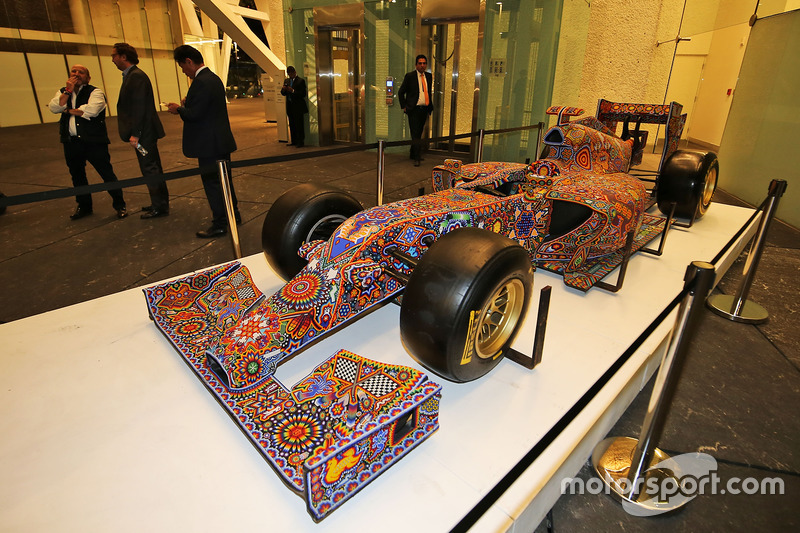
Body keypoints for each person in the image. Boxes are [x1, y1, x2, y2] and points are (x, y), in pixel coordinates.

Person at [166, 45, 241, 238]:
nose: (184, 71)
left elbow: (195, 115)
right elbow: (207, 108)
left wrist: (179, 109)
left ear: (189, 61)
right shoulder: (213, 78)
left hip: (208, 144)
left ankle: (220, 223)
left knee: (213, 184)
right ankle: (234, 215)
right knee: (225, 181)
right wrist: (188, 104)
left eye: (183, 67)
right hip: (220, 141)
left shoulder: (200, 82)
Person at [48, 64, 127, 220]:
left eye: (81, 72)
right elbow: (54, 107)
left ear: (88, 77)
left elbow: (90, 110)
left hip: (94, 142)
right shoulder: (63, 91)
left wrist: (67, 110)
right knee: (77, 176)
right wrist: (68, 91)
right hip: (71, 142)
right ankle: (84, 206)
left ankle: (120, 205)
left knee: (106, 174)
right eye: (74, 71)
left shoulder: (95, 92)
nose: (76, 74)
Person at [111, 42, 169, 219]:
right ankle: (158, 203)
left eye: (114, 56)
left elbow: (139, 109)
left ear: (123, 57)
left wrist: (135, 135)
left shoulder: (136, 76)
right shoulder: (132, 76)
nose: (112, 59)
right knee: (151, 167)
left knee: (149, 168)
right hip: (144, 133)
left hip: (143, 134)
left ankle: (159, 206)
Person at [397, 55, 434, 167]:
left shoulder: (428, 76)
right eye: (420, 63)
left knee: (419, 132)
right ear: (416, 65)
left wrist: (429, 106)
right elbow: (400, 92)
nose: (422, 65)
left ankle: (412, 153)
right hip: (413, 109)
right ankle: (417, 157)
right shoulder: (410, 76)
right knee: (415, 134)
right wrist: (404, 106)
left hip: (424, 109)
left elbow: (427, 92)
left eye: (424, 63)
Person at [280, 66, 308, 147]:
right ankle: (294, 140)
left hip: (298, 106)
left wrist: (292, 91)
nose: (290, 75)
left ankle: (300, 141)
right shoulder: (287, 81)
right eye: (289, 74)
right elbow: (283, 93)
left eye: (291, 73)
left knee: (299, 124)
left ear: (294, 72)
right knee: (292, 124)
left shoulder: (300, 81)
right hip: (290, 106)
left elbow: (303, 94)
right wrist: (284, 89)